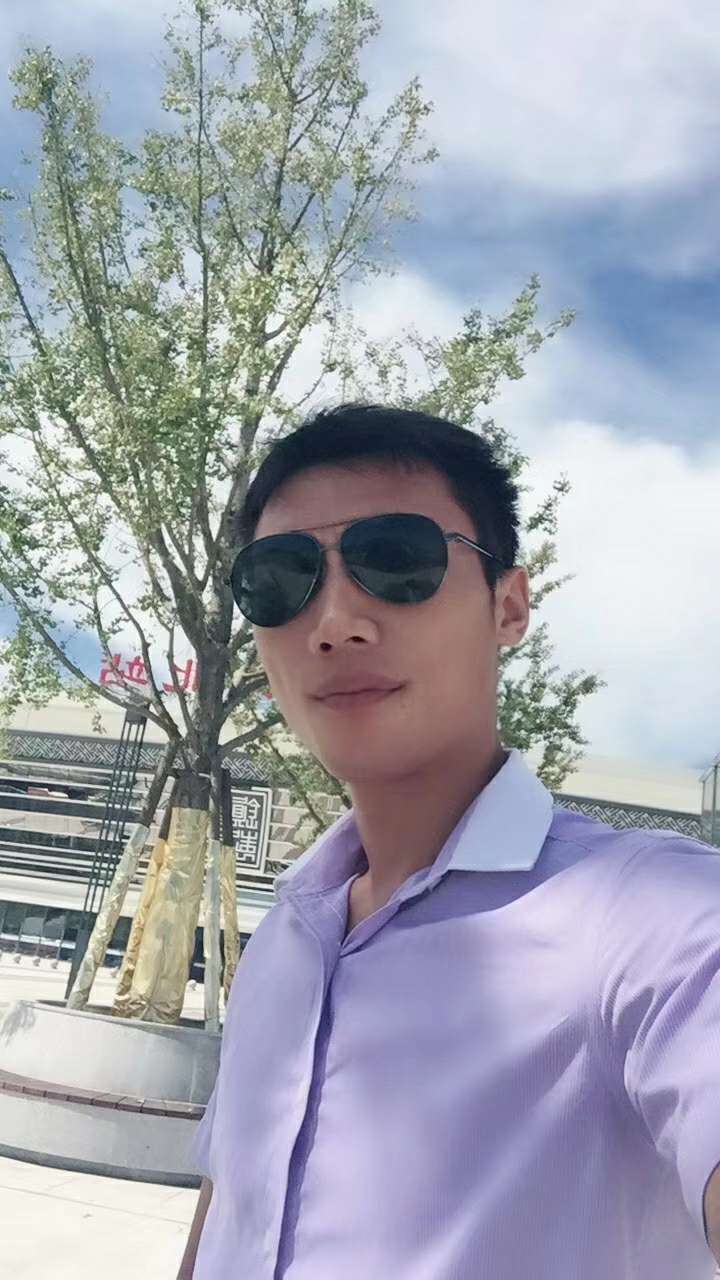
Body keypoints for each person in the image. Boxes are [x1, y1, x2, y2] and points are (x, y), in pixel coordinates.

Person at [178, 403, 720, 1279]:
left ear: (509, 606)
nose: (335, 621)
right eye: (279, 579)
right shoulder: (284, 938)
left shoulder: (649, 920)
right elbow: (229, 1212)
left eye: (398, 560)